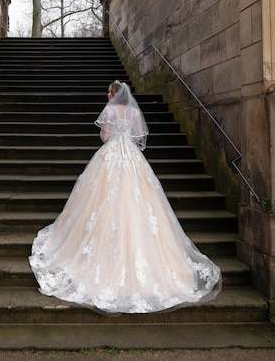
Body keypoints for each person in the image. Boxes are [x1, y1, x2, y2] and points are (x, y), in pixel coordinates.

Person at [29, 80, 221, 314]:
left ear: (113, 94)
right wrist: (127, 139)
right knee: (142, 201)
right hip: (131, 158)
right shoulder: (133, 111)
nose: (106, 96)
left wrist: (113, 137)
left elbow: (104, 136)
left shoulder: (110, 110)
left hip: (110, 156)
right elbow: (139, 137)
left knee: (100, 199)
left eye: (107, 93)